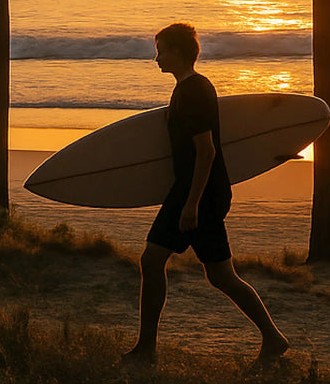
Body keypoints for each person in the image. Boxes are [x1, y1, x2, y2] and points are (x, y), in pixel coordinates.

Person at [123, 22, 289, 364]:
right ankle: (273, 338)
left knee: (154, 260)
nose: (156, 58)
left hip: (199, 194)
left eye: (161, 51)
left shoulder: (194, 92)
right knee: (219, 275)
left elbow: (207, 151)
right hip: (195, 191)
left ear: (179, 53)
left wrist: (192, 204)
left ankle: (146, 349)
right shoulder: (186, 89)